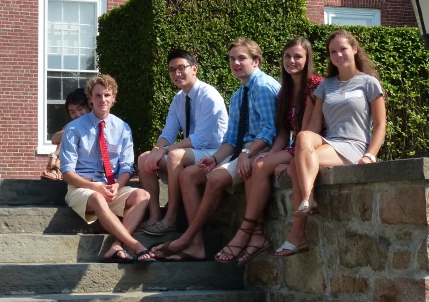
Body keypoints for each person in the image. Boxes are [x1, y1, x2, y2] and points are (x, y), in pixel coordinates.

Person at [151, 38, 279, 261]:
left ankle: (186, 238)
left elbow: (270, 131)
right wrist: (214, 158)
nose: (235, 63)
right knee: (189, 176)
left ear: (256, 61)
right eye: (232, 59)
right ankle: (197, 245)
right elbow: (230, 138)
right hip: (239, 151)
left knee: (215, 178)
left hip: (261, 150)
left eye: (242, 58)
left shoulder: (263, 86)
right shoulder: (239, 94)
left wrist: (246, 154)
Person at [275, 29, 386, 256]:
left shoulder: (369, 83)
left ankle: (299, 228)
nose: (338, 55)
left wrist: (371, 155)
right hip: (330, 141)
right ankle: (307, 200)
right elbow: (313, 127)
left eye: (343, 49)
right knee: (304, 137)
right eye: (333, 51)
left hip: (354, 146)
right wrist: (299, 153)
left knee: (298, 166)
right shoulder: (325, 86)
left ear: (354, 50)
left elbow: (380, 126)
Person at [214, 37, 322, 264]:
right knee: (259, 163)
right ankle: (256, 236)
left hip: (316, 145)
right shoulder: (285, 92)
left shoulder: (315, 85)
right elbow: (283, 132)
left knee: (260, 164)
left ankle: (247, 230)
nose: (291, 61)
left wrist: (288, 162)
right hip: (294, 146)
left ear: (308, 59)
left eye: (298, 56)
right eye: (287, 56)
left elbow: (312, 129)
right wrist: (273, 154)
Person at [60, 74, 155, 263]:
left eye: (107, 95)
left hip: (111, 186)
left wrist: (118, 186)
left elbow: (127, 167)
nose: (102, 100)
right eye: (97, 96)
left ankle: (117, 245)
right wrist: (96, 187)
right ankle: (136, 245)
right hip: (82, 188)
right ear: (90, 99)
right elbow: (66, 173)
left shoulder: (123, 128)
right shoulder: (74, 128)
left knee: (143, 195)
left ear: (113, 98)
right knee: (96, 197)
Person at [138, 49, 228, 235]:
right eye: (172, 70)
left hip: (215, 152)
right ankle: (155, 215)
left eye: (181, 68)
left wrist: (165, 150)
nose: (177, 73)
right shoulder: (179, 99)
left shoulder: (208, 96)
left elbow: (200, 140)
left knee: (174, 154)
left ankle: (171, 217)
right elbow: (168, 132)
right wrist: (157, 149)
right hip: (194, 152)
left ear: (194, 68)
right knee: (144, 158)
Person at [42, 88, 89, 180]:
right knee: (67, 133)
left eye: (80, 109)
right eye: (72, 112)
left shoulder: (94, 123)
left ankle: (56, 170)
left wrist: (54, 155)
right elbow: (54, 139)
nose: (77, 114)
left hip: (86, 165)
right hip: (69, 160)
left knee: (69, 134)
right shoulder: (71, 126)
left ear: (89, 106)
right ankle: (56, 170)